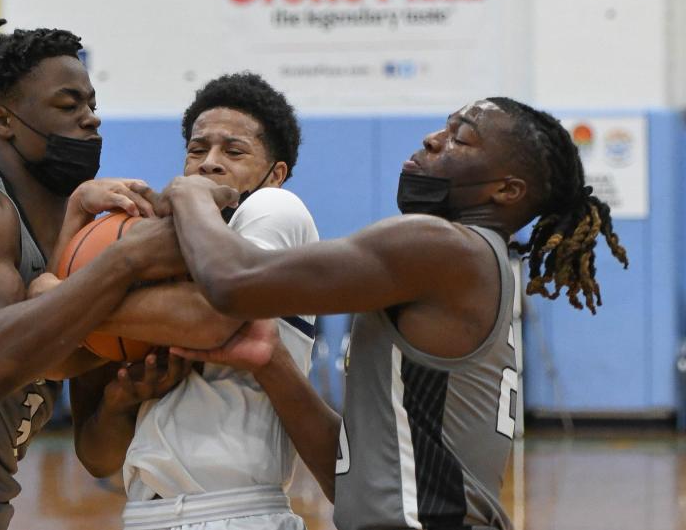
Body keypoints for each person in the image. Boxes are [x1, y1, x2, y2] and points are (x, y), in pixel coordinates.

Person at [159, 97, 629, 530]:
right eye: (444, 129)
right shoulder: (474, 263)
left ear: (506, 190)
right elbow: (348, 481)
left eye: (459, 139)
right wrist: (273, 363)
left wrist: (190, 195)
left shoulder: (440, 248)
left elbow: (231, 282)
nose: (432, 140)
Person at [0, 19, 192, 530]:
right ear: (2, 121)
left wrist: (122, 397)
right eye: (69, 106)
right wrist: (125, 264)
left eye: (92, 105)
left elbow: (99, 457)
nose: (91, 120)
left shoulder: (85, 243)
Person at [68, 72, 319, 530]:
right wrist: (121, 402)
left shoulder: (274, 208)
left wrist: (75, 298)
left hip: (236, 510)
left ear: (275, 174)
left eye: (234, 150)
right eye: (198, 149)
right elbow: (97, 458)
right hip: (145, 513)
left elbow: (211, 319)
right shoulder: (154, 256)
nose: (210, 163)